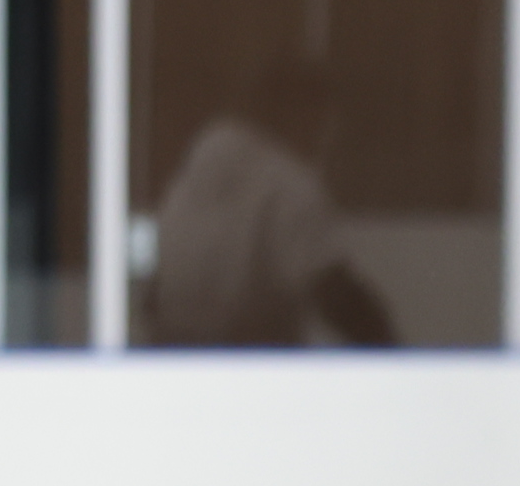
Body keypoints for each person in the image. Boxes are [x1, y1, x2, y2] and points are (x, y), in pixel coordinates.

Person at [144, 51, 403, 350]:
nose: (330, 136)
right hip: (254, 370)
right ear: (304, 113)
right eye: (327, 119)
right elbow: (333, 291)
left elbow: (153, 295)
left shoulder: (192, 174)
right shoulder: (285, 184)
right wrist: (397, 360)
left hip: (172, 364)